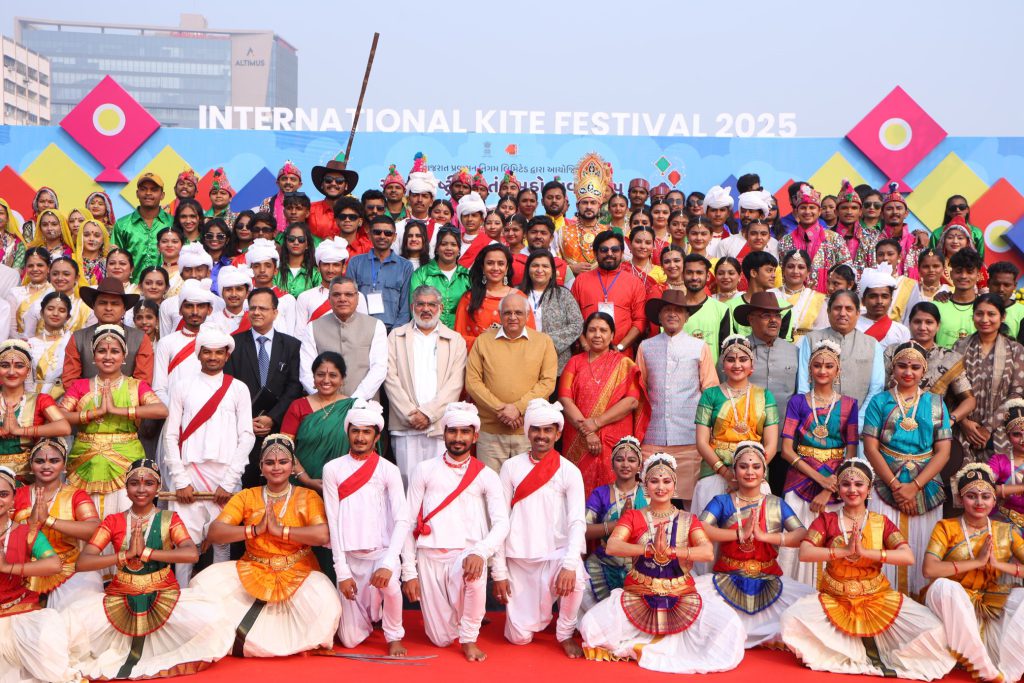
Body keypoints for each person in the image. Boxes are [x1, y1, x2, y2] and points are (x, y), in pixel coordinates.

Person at [780, 460, 955, 680]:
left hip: (877, 598)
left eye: (858, 484)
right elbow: (805, 552)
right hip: (836, 599)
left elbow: (907, 556)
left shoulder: (881, 522)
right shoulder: (828, 519)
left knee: (934, 630)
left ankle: (878, 656)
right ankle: (854, 653)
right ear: (839, 489)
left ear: (869, 489)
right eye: (846, 484)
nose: (852, 490)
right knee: (791, 619)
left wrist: (867, 553)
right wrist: (842, 551)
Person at [66, 458, 234, 679]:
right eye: (134, 483)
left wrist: (147, 553)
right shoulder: (113, 521)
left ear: (158, 488)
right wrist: (125, 555)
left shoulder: (169, 518)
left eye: (148, 483)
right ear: (126, 489)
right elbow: (84, 562)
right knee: (72, 627)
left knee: (214, 618)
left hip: (163, 595)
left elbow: (191, 553)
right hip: (121, 597)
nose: (141, 489)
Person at [579, 453, 745, 673]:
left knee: (730, 624)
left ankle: (655, 644)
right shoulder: (633, 517)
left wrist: (672, 552)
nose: (660, 487)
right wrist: (648, 550)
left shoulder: (688, 519)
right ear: (645, 485)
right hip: (639, 594)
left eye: (666, 481)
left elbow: (706, 552)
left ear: (674, 485)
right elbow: (613, 546)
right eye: (654, 481)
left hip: (680, 595)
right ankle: (645, 641)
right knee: (591, 625)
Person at [194, 434, 341, 658]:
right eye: (270, 463)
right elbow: (215, 532)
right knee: (203, 584)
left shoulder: (307, 497)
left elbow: (322, 535)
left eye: (283, 462)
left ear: (292, 466)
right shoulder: (247, 496)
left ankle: (282, 642)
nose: (276, 467)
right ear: (261, 467)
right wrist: (254, 530)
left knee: (326, 605)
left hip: (298, 572)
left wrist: (281, 531)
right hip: (253, 569)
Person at [402, 402, 510, 661]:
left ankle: (470, 639)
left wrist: (482, 553)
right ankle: (458, 621)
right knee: (439, 639)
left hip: (466, 554)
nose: (458, 438)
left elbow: (502, 523)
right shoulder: (424, 470)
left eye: (465, 432)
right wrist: (409, 572)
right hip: (429, 556)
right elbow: (406, 523)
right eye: (453, 431)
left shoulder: (486, 475)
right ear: (444, 433)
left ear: (475, 436)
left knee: (474, 568)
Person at [491, 399, 587, 657]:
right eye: (536, 429)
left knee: (577, 576)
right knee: (519, 639)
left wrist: (569, 563)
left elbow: (577, 520)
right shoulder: (511, 467)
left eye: (548, 430)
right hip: (520, 558)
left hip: (556, 553)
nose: (541, 436)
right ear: (527, 431)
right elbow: (500, 520)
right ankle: (532, 619)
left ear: (558, 433)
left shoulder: (570, 471)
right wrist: (498, 571)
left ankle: (565, 633)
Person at [695, 441, 814, 648]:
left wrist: (766, 537)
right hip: (727, 579)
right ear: (734, 471)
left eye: (756, 467)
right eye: (743, 466)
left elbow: (801, 534)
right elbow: (699, 528)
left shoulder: (776, 503)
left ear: (764, 471)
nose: (750, 472)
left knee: (809, 607)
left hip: (769, 581)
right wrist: (739, 533)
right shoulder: (722, 501)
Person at [162, 329, 255, 587]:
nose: (212, 357)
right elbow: (171, 436)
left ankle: (218, 596)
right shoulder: (182, 387)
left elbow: (247, 436)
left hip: (226, 474)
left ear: (227, 355)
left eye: (218, 352)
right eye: (207, 352)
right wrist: (180, 481)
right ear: (198, 354)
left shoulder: (238, 389)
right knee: (185, 542)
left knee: (222, 541)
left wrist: (229, 481)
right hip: (189, 473)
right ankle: (181, 595)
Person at [321, 399, 410, 655]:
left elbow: (402, 519)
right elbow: (333, 519)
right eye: (355, 431)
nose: (360, 437)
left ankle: (394, 635)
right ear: (348, 432)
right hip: (349, 556)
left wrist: (388, 563)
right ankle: (371, 615)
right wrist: (342, 572)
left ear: (376, 435)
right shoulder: (332, 469)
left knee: (391, 585)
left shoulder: (389, 470)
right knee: (349, 640)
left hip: (381, 553)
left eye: (366, 432)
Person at [862, 341, 951, 597]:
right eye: (902, 365)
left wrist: (914, 486)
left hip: (926, 483)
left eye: (914, 367)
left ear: (924, 371)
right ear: (893, 368)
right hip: (885, 481)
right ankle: (882, 604)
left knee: (922, 546)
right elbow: (870, 447)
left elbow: (943, 451)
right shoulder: (880, 401)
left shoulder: (936, 403)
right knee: (884, 545)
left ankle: (920, 606)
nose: (908, 372)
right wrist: (896, 486)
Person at [922, 463, 1024, 683]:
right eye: (972, 496)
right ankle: (986, 671)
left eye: (986, 496)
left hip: (990, 603)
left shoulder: (1005, 531)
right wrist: (976, 562)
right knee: (945, 586)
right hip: (952, 603)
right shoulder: (946, 527)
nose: (979, 502)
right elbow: (929, 569)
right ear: (960, 499)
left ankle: (1011, 671)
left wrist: (1000, 566)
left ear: (994, 500)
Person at [58, 325, 167, 517]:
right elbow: (60, 415)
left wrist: (118, 410)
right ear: (94, 355)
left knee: (124, 516)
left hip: (126, 459)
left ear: (124, 357)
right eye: (102, 351)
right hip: (85, 460)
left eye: (115, 351)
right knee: (85, 516)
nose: (108, 356)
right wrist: (92, 414)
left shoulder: (136, 386)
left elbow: (161, 410)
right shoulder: (80, 385)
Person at [778, 340, 860, 585]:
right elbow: (786, 451)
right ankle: (792, 594)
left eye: (828, 366)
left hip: (836, 482)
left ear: (838, 371)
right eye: (817, 365)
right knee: (796, 541)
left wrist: (828, 488)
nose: (822, 371)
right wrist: (820, 479)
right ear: (809, 369)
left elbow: (852, 455)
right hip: (800, 478)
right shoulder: (798, 402)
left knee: (833, 540)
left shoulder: (849, 405)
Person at [638, 289, 719, 505]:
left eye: (678, 311)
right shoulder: (645, 347)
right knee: (650, 499)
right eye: (667, 310)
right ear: (660, 317)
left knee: (689, 502)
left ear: (686, 316)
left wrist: (708, 432)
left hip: (690, 437)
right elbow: (640, 391)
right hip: (653, 436)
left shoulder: (699, 346)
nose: (673, 314)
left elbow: (711, 391)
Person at [0, 465, 80, 683]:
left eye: (3, 494)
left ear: (14, 498)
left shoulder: (26, 532)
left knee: (47, 643)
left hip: (21, 612)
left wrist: (9, 568)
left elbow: (54, 564)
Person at [692, 335, 779, 529]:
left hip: (753, 475)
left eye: (743, 359)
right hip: (715, 472)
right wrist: (726, 473)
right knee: (709, 534)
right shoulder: (710, 395)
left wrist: (750, 473)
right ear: (723, 365)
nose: (737, 365)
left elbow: (771, 444)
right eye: (730, 360)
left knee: (754, 534)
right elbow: (701, 442)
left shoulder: (764, 395)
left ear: (752, 365)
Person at [385, 285, 468, 484]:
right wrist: (411, 414)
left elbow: (455, 384)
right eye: (421, 304)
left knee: (440, 483)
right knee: (407, 482)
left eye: (431, 304)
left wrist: (429, 414)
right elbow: (390, 378)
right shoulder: (396, 336)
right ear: (413, 306)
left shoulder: (455, 340)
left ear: (440, 307)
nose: (426, 309)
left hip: (438, 426)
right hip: (405, 424)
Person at [465, 292, 557, 471]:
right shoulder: (483, 341)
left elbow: (547, 382)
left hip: (529, 432)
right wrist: (502, 409)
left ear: (528, 315)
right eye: (507, 313)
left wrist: (518, 409)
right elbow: (472, 383)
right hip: (491, 434)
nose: (513, 317)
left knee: (527, 491)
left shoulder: (543, 342)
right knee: (492, 492)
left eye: (518, 313)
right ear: (500, 316)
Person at [223, 287, 304, 489]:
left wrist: (272, 417)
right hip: (242, 429)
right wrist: (246, 421)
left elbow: (294, 387)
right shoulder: (233, 343)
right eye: (252, 308)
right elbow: (227, 385)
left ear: (275, 312)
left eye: (263, 308)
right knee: (246, 487)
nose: (256, 312)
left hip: (279, 429)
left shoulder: (291, 345)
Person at [12, 438, 103, 609]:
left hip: (67, 568)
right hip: (23, 569)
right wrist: (29, 524)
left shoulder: (76, 495)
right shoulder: (16, 495)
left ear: (64, 465)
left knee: (87, 595)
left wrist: (49, 520)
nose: (47, 466)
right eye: (40, 461)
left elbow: (96, 529)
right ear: (31, 465)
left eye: (54, 461)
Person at [558, 312, 642, 495]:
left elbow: (632, 401)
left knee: (615, 493)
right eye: (592, 330)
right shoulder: (574, 362)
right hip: (579, 439)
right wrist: (587, 432)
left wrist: (597, 423)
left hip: (614, 440)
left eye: (603, 330)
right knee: (577, 492)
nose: (597, 335)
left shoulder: (624, 364)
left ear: (612, 335)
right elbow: (565, 398)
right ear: (585, 334)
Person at [797, 289, 885, 431]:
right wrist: (811, 418)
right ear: (828, 311)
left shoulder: (872, 344)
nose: (843, 313)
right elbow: (803, 385)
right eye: (837, 308)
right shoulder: (811, 340)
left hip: (859, 425)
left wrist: (859, 422)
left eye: (849, 309)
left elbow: (876, 388)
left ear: (858, 313)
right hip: (816, 424)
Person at [955, 294, 1024, 464]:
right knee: (964, 483)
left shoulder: (1015, 350)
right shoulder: (960, 346)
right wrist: (964, 422)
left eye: (991, 314)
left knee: (997, 482)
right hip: (963, 430)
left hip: (1000, 432)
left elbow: (1016, 394)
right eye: (979, 314)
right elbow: (950, 390)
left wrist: (987, 428)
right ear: (973, 316)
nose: (985, 319)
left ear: (1002, 316)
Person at [582, 436, 647, 609]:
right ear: (612, 464)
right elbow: (583, 530)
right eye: (620, 459)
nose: (625, 465)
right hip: (604, 563)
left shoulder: (649, 494)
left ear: (639, 466)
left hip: (642, 565)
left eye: (631, 460)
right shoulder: (601, 493)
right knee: (579, 589)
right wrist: (617, 524)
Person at [298, 276, 387, 399]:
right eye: (336, 295)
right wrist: (324, 399)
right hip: (323, 407)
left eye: (348, 294)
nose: (342, 299)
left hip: (364, 406)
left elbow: (379, 368)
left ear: (357, 298)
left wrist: (355, 400)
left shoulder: (376, 326)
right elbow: (306, 372)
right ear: (329, 298)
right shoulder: (312, 327)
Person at [62, 278, 152, 387]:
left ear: (124, 309)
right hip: (86, 401)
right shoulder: (78, 338)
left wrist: (121, 402)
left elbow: (143, 382)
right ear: (93, 307)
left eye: (115, 304)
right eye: (103, 303)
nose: (108, 308)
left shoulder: (140, 338)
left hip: (128, 402)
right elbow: (70, 381)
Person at [0, 339, 71, 477]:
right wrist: (3, 431)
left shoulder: (40, 400)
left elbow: (64, 427)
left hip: (28, 477)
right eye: (5, 365)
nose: (12, 371)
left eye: (19, 366)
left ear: (28, 371)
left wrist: (20, 430)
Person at [570, 230, 647, 353]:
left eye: (615, 250)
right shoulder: (581, 280)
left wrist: (620, 347)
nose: (609, 253)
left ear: (622, 253)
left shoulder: (634, 283)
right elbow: (573, 318)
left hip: (622, 355)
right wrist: (585, 345)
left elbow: (640, 321)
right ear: (595, 253)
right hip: (587, 355)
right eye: (604, 250)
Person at [454, 243, 534, 349]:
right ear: (483, 267)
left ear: (506, 268)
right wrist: (486, 340)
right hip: (478, 359)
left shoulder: (519, 298)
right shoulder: (470, 298)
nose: (495, 268)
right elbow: (459, 338)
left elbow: (531, 336)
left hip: (514, 359)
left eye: (500, 264)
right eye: (490, 263)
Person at [152, 278, 217, 403]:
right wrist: (177, 411)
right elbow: (159, 389)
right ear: (180, 310)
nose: (195, 312)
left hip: (209, 413)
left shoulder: (217, 342)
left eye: (201, 306)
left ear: (209, 310)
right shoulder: (166, 343)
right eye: (189, 306)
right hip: (174, 415)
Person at [519, 250, 583, 373]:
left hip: (556, 362)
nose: (539, 270)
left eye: (545, 266)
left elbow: (577, 324)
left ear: (552, 271)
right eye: (535, 265)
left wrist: (545, 342)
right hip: (522, 359)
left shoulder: (563, 294)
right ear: (528, 269)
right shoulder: (517, 293)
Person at [346, 215, 413, 333]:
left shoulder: (405, 266)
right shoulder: (355, 263)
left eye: (388, 233)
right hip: (359, 329)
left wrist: (394, 335)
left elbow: (405, 307)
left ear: (394, 237)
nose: (382, 236)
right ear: (369, 235)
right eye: (377, 232)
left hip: (392, 331)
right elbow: (348, 298)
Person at [778, 184, 851, 292]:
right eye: (803, 208)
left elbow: (846, 272)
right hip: (794, 301)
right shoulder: (785, 241)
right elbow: (782, 275)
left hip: (827, 300)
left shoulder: (835, 239)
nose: (807, 212)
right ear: (797, 211)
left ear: (819, 211)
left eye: (812, 207)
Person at [112, 172, 173, 280]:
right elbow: (114, 259)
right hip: (130, 291)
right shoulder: (122, 225)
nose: (148, 193)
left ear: (162, 195)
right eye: (143, 189)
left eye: (154, 189)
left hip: (166, 289)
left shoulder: (172, 223)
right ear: (137, 193)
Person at [410, 226, 471, 329]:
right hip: (427, 332)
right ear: (437, 248)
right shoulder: (421, 274)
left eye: (453, 244)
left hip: (459, 335)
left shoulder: (467, 276)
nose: (448, 248)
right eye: (443, 244)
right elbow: (414, 307)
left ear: (459, 249)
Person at [560, 152, 610, 274]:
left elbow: (621, 260)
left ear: (599, 206)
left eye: (593, 203)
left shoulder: (608, 232)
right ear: (577, 205)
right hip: (569, 286)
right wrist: (570, 269)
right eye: (584, 203)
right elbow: (552, 261)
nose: (589, 207)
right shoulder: (562, 232)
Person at [22, 256, 94, 337]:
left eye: (66, 274)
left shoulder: (87, 308)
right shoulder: (37, 305)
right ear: (49, 276)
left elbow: (90, 340)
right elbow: (27, 337)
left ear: (77, 277)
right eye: (55, 274)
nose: (60, 278)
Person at [158, 241, 216, 336]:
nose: (193, 275)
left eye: (199, 270)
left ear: (208, 273)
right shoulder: (168, 305)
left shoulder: (219, 302)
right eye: (188, 270)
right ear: (181, 274)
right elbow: (165, 338)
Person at [680, 254, 732, 362]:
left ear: (708, 276)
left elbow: (726, 351)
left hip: (711, 377)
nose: (694, 277)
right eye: (689, 272)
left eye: (699, 273)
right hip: (680, 376)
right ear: (682, 276)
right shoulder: (672, 309)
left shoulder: (721, 309)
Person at [771, 249, 829, 344]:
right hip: (774, 345)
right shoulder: (771, 294)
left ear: (808, 272)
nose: (795, 271)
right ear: (783, 270)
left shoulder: (818, 299)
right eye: (790, 266)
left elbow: (822, 333)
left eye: (801, 267)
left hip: (806, 348)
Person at [934, 248, 985, 348]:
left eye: (969, 272)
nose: (963, 276)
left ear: (978, 276)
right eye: (959, 271)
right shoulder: (936, 306)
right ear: (952, 274)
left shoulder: (985, 309)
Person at [26, 291, 71, 396]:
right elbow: (27, 380)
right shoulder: (30, 344)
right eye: (50, 309)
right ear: (42, 313)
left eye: (62, 310)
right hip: (35, 397)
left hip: (65, 397)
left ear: (68, 317)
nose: (55, 313)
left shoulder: (73, 340)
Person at [857, 263, 911, 348]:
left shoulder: (901, 331)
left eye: (884, 296)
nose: (879, 301)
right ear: (863, 300)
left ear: (891, 300)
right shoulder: (852, 326)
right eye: (873, 296)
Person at [832, 179, 879, 277]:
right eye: (844, 208)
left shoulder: (872, 237)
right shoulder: (826, 236)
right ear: (836, 212)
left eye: (854, 208)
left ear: (860, 211)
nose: (849, 212)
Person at [990, 399, 1024, 529]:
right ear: (1007, 435)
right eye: (1017, 434)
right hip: (1004, 523)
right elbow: (985, 487)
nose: (1023, 439)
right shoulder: (998, 461)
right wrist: (1021, 488)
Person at [308, 154, 359, 239]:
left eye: (339, 181)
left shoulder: (355, 212)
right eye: (328, 180)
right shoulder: (309, 209)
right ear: (322, 184)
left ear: (346, 186)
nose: (333, 183)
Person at [880, 182, 921, 279]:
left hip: (911, 291)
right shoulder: (872, 241)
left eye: (899, 208)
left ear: (906, 213)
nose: (894, 212)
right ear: (882, 214)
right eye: (889, 209)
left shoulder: (916, 242)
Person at [9, 247, 51, 338]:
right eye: (30, 266)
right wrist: (21, 346)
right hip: (20, 345)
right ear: (26, 269)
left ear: (48, 268)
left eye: (40, 265)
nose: (35, 269)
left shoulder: (55, 293)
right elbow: (11, 328)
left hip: (48, 346)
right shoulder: (15, 293)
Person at [275, 222, 318, 298]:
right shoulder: (276, 271)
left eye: (301, 239)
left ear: (307, 245)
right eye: (291, 239)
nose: (296, 242)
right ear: (286, 242)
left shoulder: (315, 273)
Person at [257, 160, 303, 231]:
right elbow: (261, 228)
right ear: (277, 183)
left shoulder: (304, 203)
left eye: (292, 179)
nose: (288, 182)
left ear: (299, 185)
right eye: (284, 179)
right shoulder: (267, 202)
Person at [0, 197, 26, 270]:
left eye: (1, 213)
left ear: (8, 217)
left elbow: (17, 272)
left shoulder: (17, 243)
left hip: (9, 280)